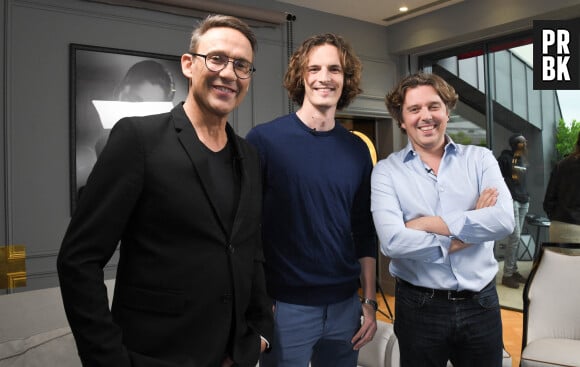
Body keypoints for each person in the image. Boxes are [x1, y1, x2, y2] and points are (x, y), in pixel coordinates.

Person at [57, 14, 273, 367]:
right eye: (217, 58)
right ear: (189, 64)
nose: (229, 73)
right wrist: (108, 358)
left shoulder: (248, 155)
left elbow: (251, 250)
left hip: (234, 355)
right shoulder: (137, 139)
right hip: (154, 355)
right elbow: (78, 260)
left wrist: (260, 333)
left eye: (242, 65)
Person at [246, 33, 378, 366]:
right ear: (301, 76)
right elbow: (247, 228)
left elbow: (363, 230)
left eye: (334, 69)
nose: (324, 77)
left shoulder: (357, 149)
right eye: (314, 68)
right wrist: (260, 302)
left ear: (345, 79)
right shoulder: (264, 140)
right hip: (286, 308)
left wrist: (370, 301)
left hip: (345, 307)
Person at [371, 72, 514, 367]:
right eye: (414, 109)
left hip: (481, 305)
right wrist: (472, 224)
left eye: (434, 106)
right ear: (401, 120)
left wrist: (425, 224)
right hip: (419, 307)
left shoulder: (481, 159)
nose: (426, 116)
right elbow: (393, 242)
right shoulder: (386, 172)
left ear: (447, 111)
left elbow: (503, 220)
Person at [497, 133, 530, 288]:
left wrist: (527, 196)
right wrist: (507, 197)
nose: (526, 143)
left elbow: (521, 181)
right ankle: (507, 274)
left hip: (524, 201)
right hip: (513, 201)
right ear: (517, 144)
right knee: (515, 237)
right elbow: (498, 180)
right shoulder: (504, 159)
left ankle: (514, 269)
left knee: (516, 238)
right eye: (523, 142)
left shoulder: (522, 160)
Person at [543, 131, 580, 243]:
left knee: (560, 261)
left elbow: (548, 201)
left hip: (558, 227)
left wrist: (558, 217)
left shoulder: (561, 165)